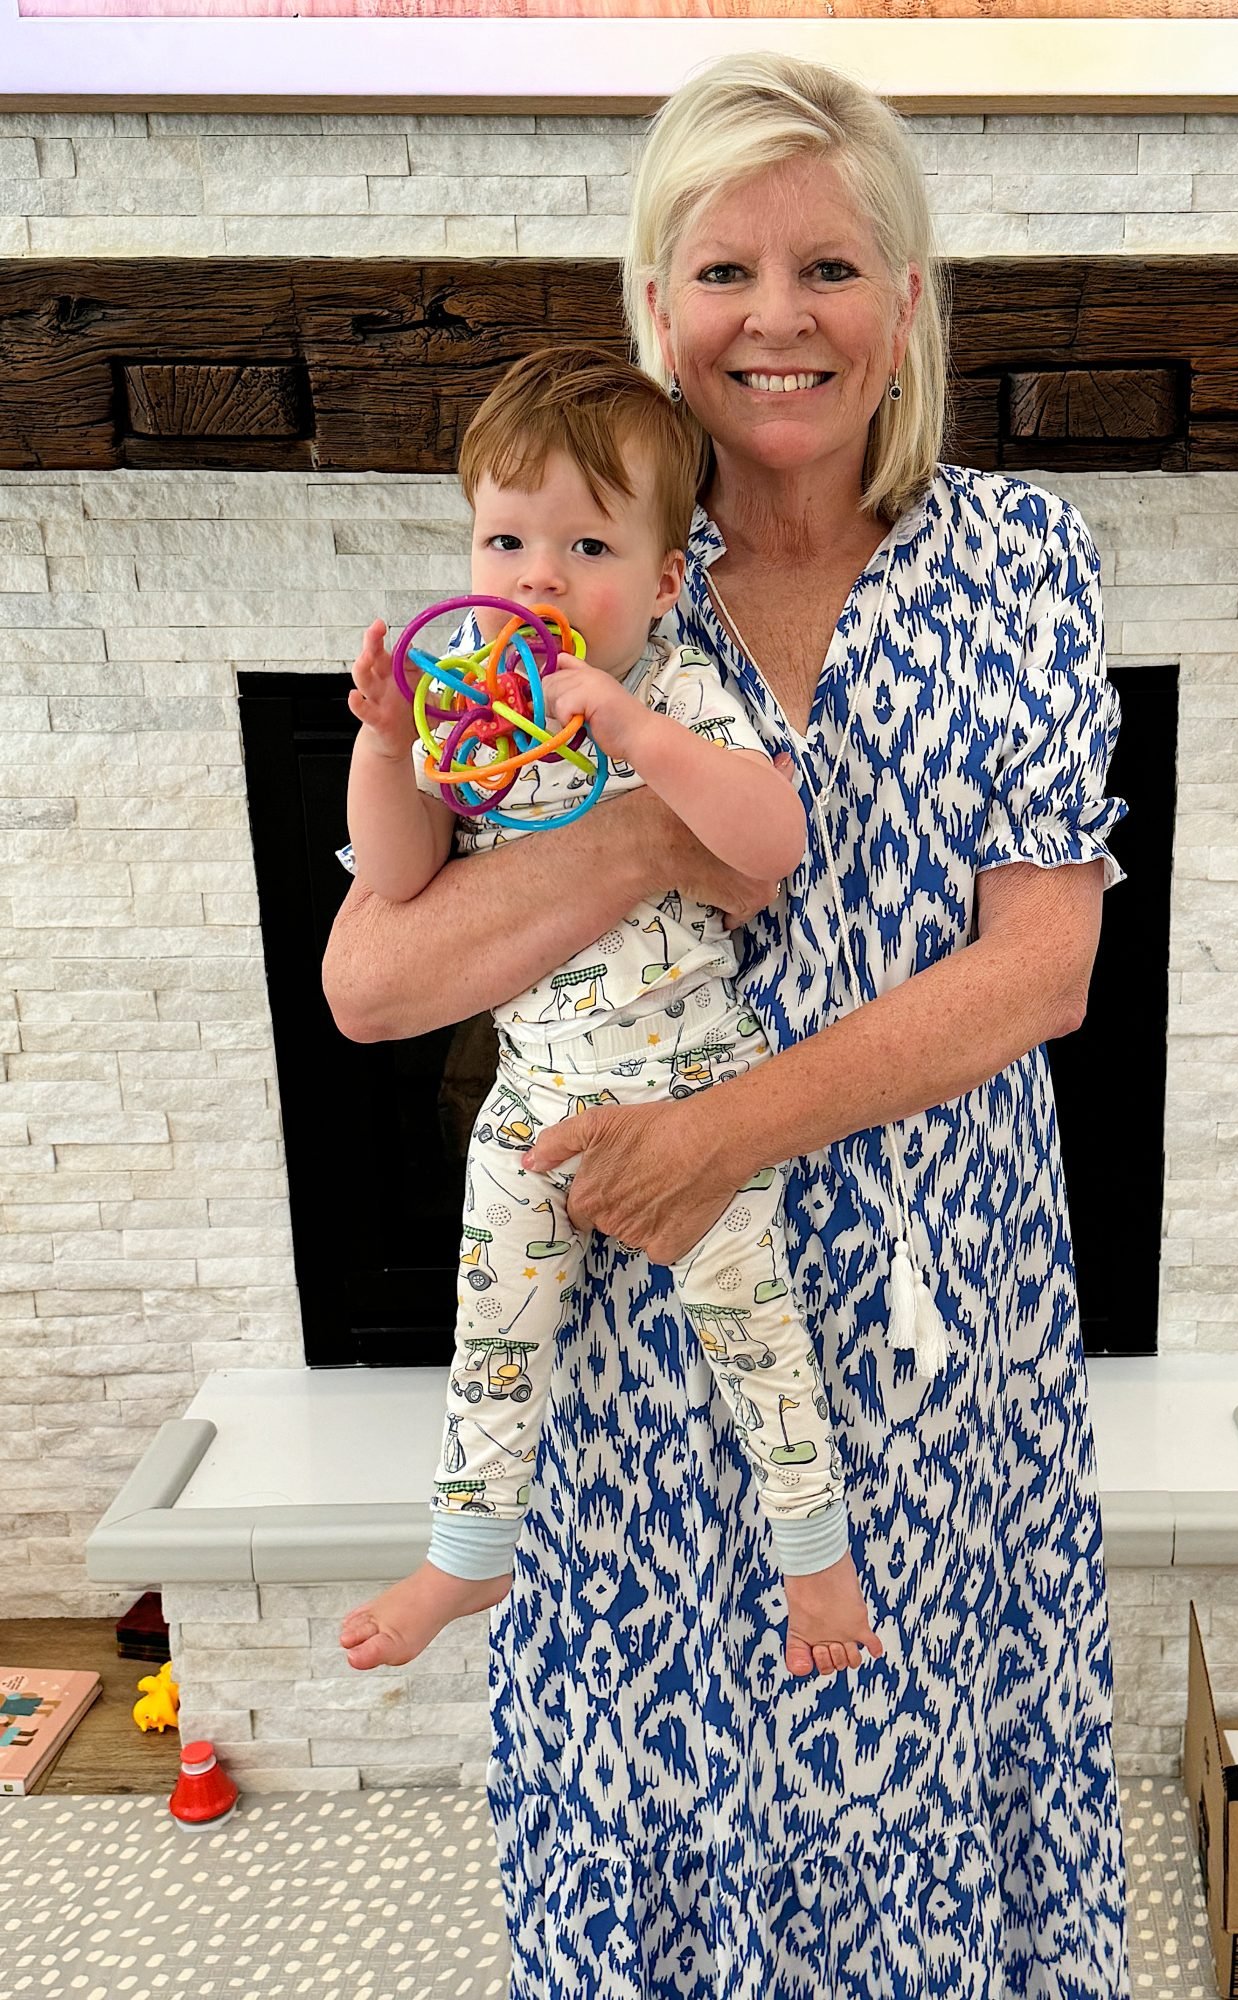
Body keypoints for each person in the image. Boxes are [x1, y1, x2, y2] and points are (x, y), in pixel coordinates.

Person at [322, 50, 1133, 2000]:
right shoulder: (551, 603)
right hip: (618, 1307)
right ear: (653, 306)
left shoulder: (1019, 563)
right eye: (725, 271)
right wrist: (623, 832)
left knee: (919, 1799)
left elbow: (1045, 967)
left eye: (833, 266)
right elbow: (371, 980)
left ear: (909, 304)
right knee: (659, 1811)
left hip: (931, 1309)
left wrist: (732, 1122)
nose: (778, 317)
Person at [336, 345, 884, 1680]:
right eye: (506, 539)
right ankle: (467, 1556)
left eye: (585, 545)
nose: (536, 578)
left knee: (757, 1334)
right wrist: (381, 740)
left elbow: (775, 841)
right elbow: (398, 879)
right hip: (535, 1100)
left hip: (691, 1092)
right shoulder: (472, 710)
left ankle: (817, 1565)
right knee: (492, 1337)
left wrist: (634, 733)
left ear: (662, 582)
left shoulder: (679, 693)